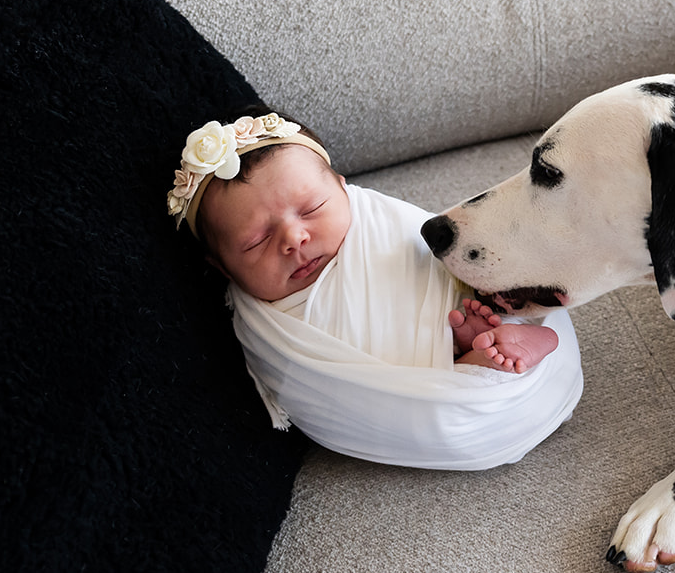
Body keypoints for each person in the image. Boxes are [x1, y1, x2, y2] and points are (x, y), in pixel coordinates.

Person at [169, 109, 559, 375]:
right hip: (401, 389)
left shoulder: (377, 226)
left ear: (343, 189)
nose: (294, 238)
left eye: (312, 208)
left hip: (444, 328)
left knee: (458, 301)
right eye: (257, 241)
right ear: (221, 267)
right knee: (431, 375)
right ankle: (472, 355)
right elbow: (311, 383)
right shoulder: (266, 325)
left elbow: (428, 258)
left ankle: (482, 338)